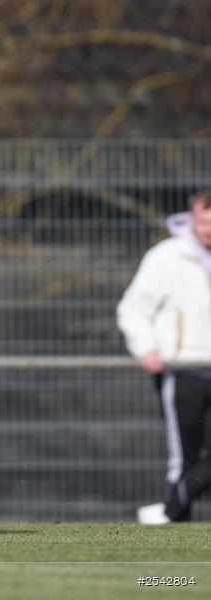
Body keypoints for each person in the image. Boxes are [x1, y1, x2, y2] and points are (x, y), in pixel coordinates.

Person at [117, 191, 211, 525]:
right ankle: (177, 523)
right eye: (203, 222)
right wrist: (146, 348)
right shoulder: (168, 257)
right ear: (193, 217)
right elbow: (133, 308)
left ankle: (168, 512)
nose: (208, 230)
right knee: (184, 457)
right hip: (182, 371)